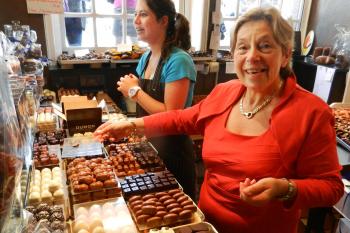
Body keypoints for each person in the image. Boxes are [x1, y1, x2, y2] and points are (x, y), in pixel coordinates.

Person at [94, 7, 344, 233]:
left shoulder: (311, 112)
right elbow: (181, 118)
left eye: (265, 46)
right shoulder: (226, 93)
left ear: (286, 54)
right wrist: (132, 125)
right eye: (243, 47)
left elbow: (332, 187)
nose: (252, 56)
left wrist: (285, 189)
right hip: (204, 223)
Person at [114, 0, 197, 200]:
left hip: (173, 153)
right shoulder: (146, 57)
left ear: (163, 21)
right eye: (135, 14)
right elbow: (145, 104)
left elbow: (171, 116)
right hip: (149, 148)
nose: (136, 21)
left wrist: (134, 91)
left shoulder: (179, 60)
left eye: (143, 14)